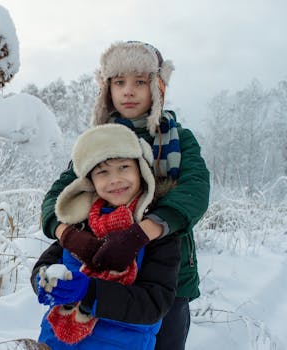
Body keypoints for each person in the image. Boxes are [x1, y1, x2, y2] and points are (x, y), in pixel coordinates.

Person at [40, 41, 210, 349]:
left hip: (168, 276)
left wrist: (139, 235)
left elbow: (195, 191)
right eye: (119, 82)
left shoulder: (178, 139)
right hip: (97, 275)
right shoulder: (97, 143)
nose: (128, 91)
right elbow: (59, 196)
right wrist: (68, 235)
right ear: (107, 88)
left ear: (157, 87)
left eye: (139, 82)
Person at [31, 124, 181, 349]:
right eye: (103, 172)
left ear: (141, 171)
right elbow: (45, 264)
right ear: (90, 180)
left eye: (124, 167)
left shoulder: (155, 231)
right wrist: (43, 282)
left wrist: (91, 292)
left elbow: (153, 304)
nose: (114, 179)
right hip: (54, 342)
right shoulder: (79, 222)